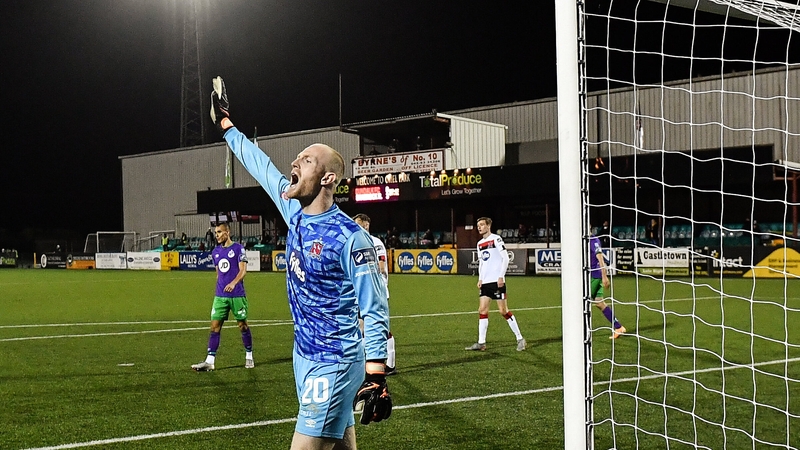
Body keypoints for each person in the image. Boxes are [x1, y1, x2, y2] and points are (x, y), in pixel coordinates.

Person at [210, 76, 391, 449]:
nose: (294, 162)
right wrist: (226, 124)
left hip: (335, 360)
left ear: (327, 178)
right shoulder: (293, 210)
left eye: (306, 160)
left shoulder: (350, 238)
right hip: (303, 354)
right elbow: (259, 163)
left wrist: (376, 374)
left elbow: (375, 308)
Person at [191, 222, 254, 371]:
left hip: (237, 294)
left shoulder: (238, 248)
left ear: (227, 232)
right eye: (216, 233)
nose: (217, 235)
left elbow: (243, 270)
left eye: (219, 232)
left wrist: (233, 283)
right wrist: (220, 287)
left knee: (242, 325)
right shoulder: (215, 252)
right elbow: (218, 273)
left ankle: (249, 355)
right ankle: (210, 361)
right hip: (220, 296)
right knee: (214, 327)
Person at [465, 217, 527, 352]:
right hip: (486, 282)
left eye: (481, 225)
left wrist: (501, 276)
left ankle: (520, 338)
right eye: (478, 225)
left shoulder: (496, 239)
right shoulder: (480, 243)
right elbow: (482, 262)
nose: (479, 227)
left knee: (503, 311)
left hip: (497, 281)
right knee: (482, 310)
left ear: (488, 226)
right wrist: (480, 278)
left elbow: (505, 257)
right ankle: (481, 343)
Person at [353, 213, 397, 376]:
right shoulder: (358, 242)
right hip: (364, 293)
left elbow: (380, 266)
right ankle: (366, 364)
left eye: (358, 223)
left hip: (377, 292)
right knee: (361, 327)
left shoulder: (375, 243)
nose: (355, 226)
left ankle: (390, 364)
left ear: (366, 225)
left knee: (381, 330)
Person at [589, 229, 626, 339]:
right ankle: (618, 327)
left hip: (594, 275)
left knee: (579, 301)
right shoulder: (586, 240)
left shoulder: (593, 240)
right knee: (599, 303)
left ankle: (578, 331)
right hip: (594, 275)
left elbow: (600, 258)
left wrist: (604, 276)